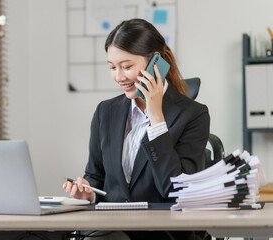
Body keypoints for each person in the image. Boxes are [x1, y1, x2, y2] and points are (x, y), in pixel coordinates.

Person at [63, 18, 210, 240]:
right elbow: (95, 175)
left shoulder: (193, 115)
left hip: (163, 233)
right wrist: (88, 193)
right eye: (112, 67)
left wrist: (156, 118)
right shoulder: (105, 112)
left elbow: (178, 193)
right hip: (109, 230)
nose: (119, 77)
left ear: (156, 62)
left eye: (127, 66)